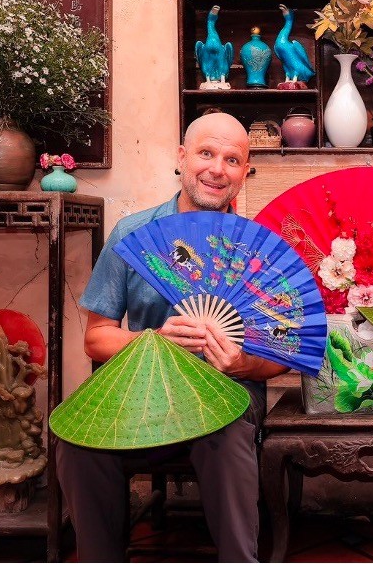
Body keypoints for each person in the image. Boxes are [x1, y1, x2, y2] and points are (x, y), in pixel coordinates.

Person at [56, 112, 288, 562]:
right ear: (182, 158)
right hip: (141, 394)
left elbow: (280, 355)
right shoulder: (133, 234)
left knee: (224, 431)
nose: (217, 169)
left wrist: (242, 363)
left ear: (244, 172)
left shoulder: (257, 249)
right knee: (78, 442)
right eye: (206, 153)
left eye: (232, 160)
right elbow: (96, 339)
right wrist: (153, 339)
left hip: (227, 393)